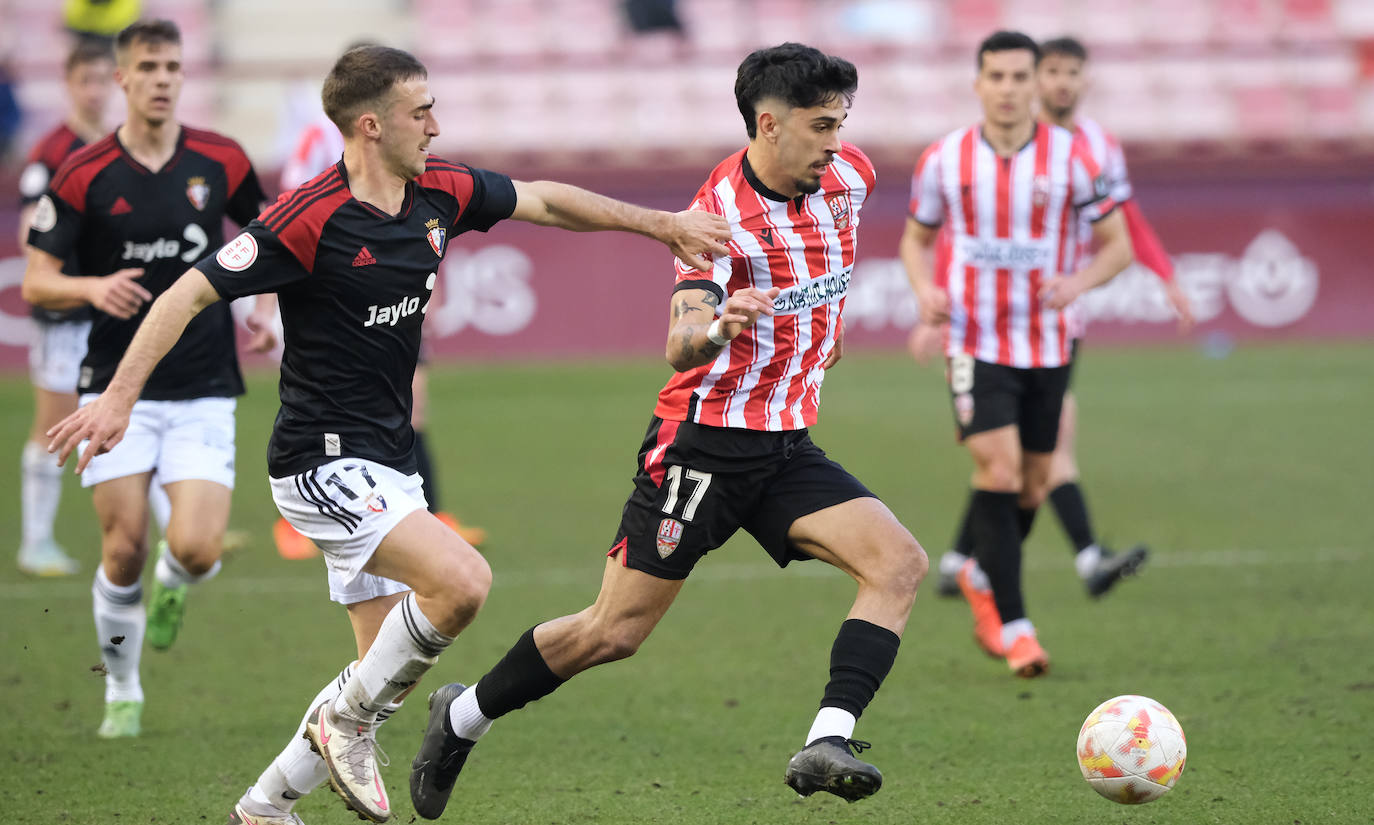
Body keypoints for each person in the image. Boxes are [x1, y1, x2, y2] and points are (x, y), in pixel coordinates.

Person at [46, 44, 731, 825]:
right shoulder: (305, 218)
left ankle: (263, 808)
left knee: (380, 669)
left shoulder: (440, 190)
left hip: (387, 461)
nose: (436, 126)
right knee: (463, 583)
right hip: (319, 465)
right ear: (371, 126)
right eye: (421, 112)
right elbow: (185, 293)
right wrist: (117, 400)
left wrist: (661, 224)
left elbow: (544, 200)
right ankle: (345, 724)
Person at [407, 42, 927, 820]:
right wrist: (721, 328)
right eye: (820, 126)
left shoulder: (851, 177)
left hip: (784, 442)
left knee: (898, 564)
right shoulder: (717, 217)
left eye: (841, 122)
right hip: (702, 446)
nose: (835, 142)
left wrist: (824, 335)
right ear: (768, 123)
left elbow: (831, 265)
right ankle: (461, 715)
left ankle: (828, 738)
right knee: (612, 632)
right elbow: (680, 341)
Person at [22, 19, 276, 738]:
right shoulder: (83, 173)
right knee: (123, 545)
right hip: (110, 387)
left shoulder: (220, 160)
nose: (163, 78)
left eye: (173, 65)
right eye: (148, 67)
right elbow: (38, 281)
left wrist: (263, 310)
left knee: (194, 549)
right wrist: (92, 287)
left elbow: (271, 238)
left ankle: (174, 584)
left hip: (202, 383)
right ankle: (122, 690)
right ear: (122, 81)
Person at [899, 31, 1133, 677]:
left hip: (1051, 342)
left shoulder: (1075, 161)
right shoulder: (945, 159)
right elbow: (914, 241)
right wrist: (925, 292)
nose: (1007, 89)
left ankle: (977, 571)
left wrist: (1077, 283)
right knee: (998, 472)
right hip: (976, 339)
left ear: (1036, 85)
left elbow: (1118, 246)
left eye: (1018, 77)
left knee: (1032, 481)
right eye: (995, 76)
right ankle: (1017, 625)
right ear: (977, 83)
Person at [929, 35, 1195, 601]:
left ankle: (963, 561)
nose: (1059, 83)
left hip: (1056, 322)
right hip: (988, 328)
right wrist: (936, 301)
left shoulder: (1094, 148)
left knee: (1024, 461)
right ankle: (1082, 558)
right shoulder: (976, 152)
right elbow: (961, 231)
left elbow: (1123, 226)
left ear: (1084, 79)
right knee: (1022, 458)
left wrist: (1163, 274)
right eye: (1048, 71)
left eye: (1069, 71)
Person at [274, 78, 488, 559]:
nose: (426, 124)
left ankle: (429, 513)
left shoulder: (409, 149)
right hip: (335, 295)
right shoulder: (317, 144)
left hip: (397, 294)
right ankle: (297, 518)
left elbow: (424, 220)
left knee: (415, 409)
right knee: (322, 401)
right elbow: (285, 220)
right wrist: (269, 304)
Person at [15, 39, 115, 577]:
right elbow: (31, 229)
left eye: (105, 80)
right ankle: (35, 541)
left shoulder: (116, 146)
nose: (96, 91)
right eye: (87, 81)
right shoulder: (53, 151)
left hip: (107, 308)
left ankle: (174, 527)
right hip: (64, 309)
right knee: (52, 424)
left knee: (131, 411)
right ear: (70, 84)